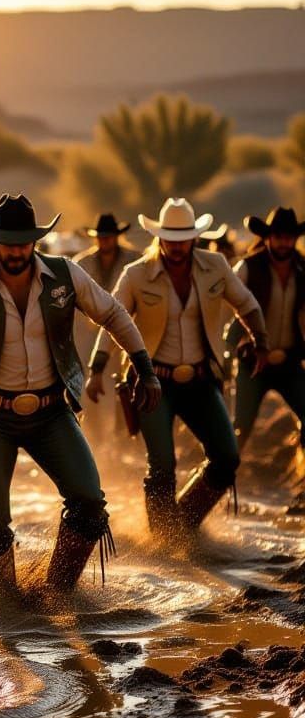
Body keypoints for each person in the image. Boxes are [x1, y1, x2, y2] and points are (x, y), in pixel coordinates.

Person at [0, 194, 159, 596]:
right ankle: (0, 611)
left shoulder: (66, 275)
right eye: (8, 241)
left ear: (36, 241)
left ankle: (56, 595)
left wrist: (144, 369)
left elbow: (113, 314)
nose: (16, 249)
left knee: (90, 504)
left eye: (24, 241)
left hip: (51, 411)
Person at [89, 197, 267, 540]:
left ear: (194, 238)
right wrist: (98, 369)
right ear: (159, 237)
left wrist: (259, 339)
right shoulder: (137, 273)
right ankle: (163, 540)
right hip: (153, 383)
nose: (175, 244)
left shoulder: (216, 266)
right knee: (163, 467)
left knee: (227, 458)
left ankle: (183, 524)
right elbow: (112, 319)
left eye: (182, 237)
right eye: (169, 237)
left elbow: (246, 303)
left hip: (202, 381)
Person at [227, 207, 305, 468]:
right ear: (269, 237)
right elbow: (233, 315)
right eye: (279, 236)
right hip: (253, 365)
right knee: (238, 432)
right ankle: (207, 493)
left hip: (290, 362)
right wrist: (228, 355)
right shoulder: (248, 268)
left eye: (289, 237)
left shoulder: (303, 270)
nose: (284, 242)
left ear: (295, 238)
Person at [73, 214, 143, 437]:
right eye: (102, 237)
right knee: (89, 385)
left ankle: (122, 436)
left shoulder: (134, 262)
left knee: (123, 385)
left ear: (116, 237)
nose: (105, 241)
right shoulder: (81, 264)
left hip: (123, 333)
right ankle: (96, 436)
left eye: (109, 237)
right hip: (88, 336)